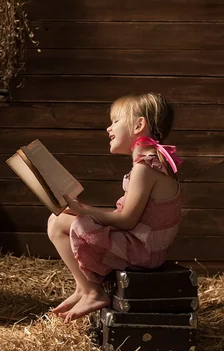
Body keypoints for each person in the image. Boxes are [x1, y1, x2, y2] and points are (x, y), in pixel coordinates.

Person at [46, 92, 183, 323]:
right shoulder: (151, 163)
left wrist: (84, 210)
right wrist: (82, 210)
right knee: (58, 218)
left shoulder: (145, 167)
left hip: (142, 252)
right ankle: (83, 289)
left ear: (139, 125)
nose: (109, 129)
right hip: (144, 246)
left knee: (67, 222)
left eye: (115, 121)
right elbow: (130, 218)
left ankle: (93, 292)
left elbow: (127, 221)